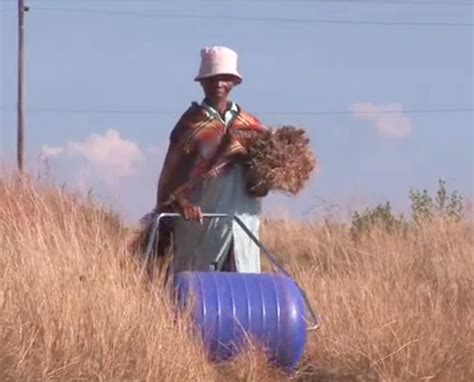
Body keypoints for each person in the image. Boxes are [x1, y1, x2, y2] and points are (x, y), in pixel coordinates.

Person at [154, 46, 268, 274]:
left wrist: (267, 178)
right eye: (212, 79)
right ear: (202, 83)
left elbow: (261, 182)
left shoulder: (252, 126)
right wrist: (182, 204)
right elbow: (170, 178)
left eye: (225, 78)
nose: (218, 84)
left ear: (234, 82)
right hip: (202, 225)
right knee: (200, 293)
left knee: (242, 292)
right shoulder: (190, 126)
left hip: (242, 224)